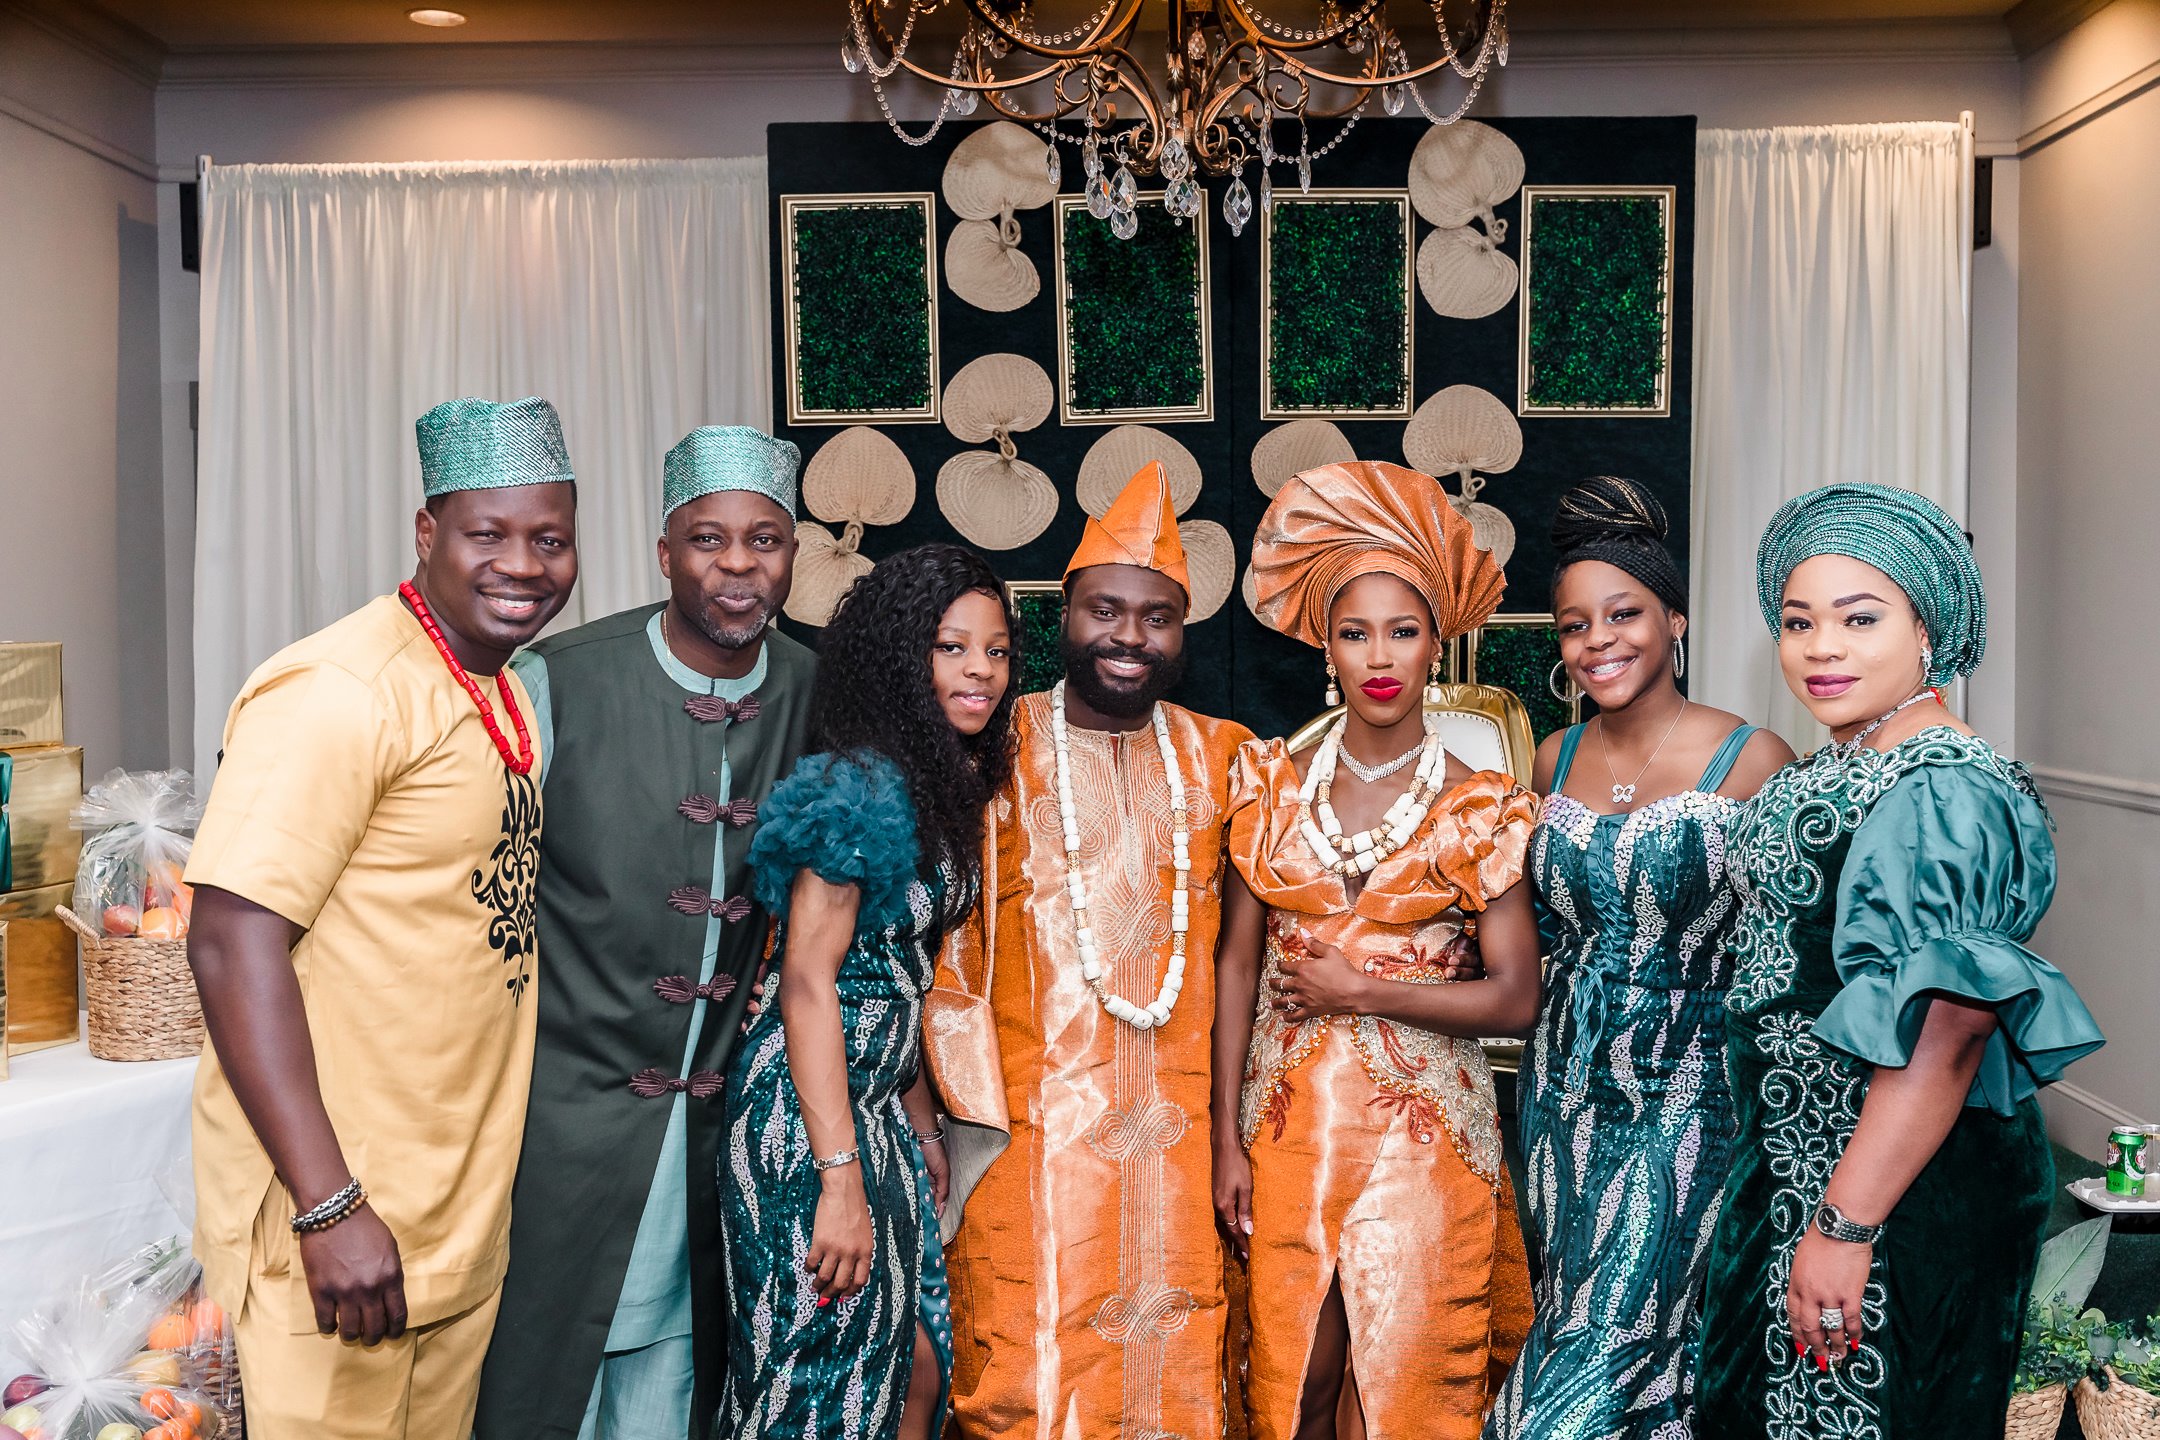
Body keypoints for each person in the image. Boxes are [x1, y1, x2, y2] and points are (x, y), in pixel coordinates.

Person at [183, 397, 579, 1439]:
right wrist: (328, 1205)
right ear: (426, 533)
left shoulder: (502, 689)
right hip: (340, 1220)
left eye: (550, 540)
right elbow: (228, 940)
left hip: (450, 1222)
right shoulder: (339, 689)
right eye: (488, 534)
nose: (523, 565)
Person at [1698, 482, 2105, 1437]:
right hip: (1802, 1165)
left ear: (1928, 629)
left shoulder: (1943, 787)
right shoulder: (1849, 758)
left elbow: (1947, 1034)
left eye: (1860, 618)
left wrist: (1845, 1227)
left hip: (1895, 1192)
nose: (1821, 647)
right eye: (1798, 622)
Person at [475, 426, 813, 1440]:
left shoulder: (813, 691)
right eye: (709, 540)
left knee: (673, 1388)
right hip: (556, 1126)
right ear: (664, 553)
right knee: (536, 1383)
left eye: (764, 541)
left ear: (793, 557)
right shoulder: (557, 678)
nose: (738, 565)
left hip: (715, 1134)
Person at [925, 461, 1254, 1440]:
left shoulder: (1228, 757)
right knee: (1023, 1387)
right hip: (1022, 1151)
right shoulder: (992, 746)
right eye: (1105, 610)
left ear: (1184, 631)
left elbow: (1276, 935)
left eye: (1157, 617)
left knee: (1186, 1383)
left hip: (1185, 1161)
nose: (1129, 636)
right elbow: (919, 939)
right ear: (1063, 616)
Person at [1211, 459, 1538, 1440]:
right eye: (1356, 633)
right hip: (1285, 1136)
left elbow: (1515, 998)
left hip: (1426, 1142)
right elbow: (1237, 968)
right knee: (1293, 1389)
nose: (1381, 655)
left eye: (1403, 630)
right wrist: (1224, 1136)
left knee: (1406, 1396)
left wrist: (1361, 991)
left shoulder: (1480, 803)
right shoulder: (1269, 783)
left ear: (1438, 642)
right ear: (1327, 646)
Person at [1486, 476, 1793, 1440]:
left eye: (1623, 615)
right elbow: (1534, 930)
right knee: (1585, 1320)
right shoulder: (1552, 756)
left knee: (1605, 1348)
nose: (1598, 642)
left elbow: (1785, 957)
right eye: (1575, 625)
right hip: (1558, 1094)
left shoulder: (1754, 758)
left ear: (1675, 621)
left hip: (1689, 1095)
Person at [718, 543, 1017, 1440]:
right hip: (806, 1123)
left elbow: (898, 984)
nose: (980, 670)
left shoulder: (932, 785)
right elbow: (809, 986)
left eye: (997, 650)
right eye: (951, 647)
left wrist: (922, 1130)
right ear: (899, 656)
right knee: (816, 1391)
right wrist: (838, 1180)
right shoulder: (854, 788)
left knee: (915, 1367)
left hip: (874, 1109)